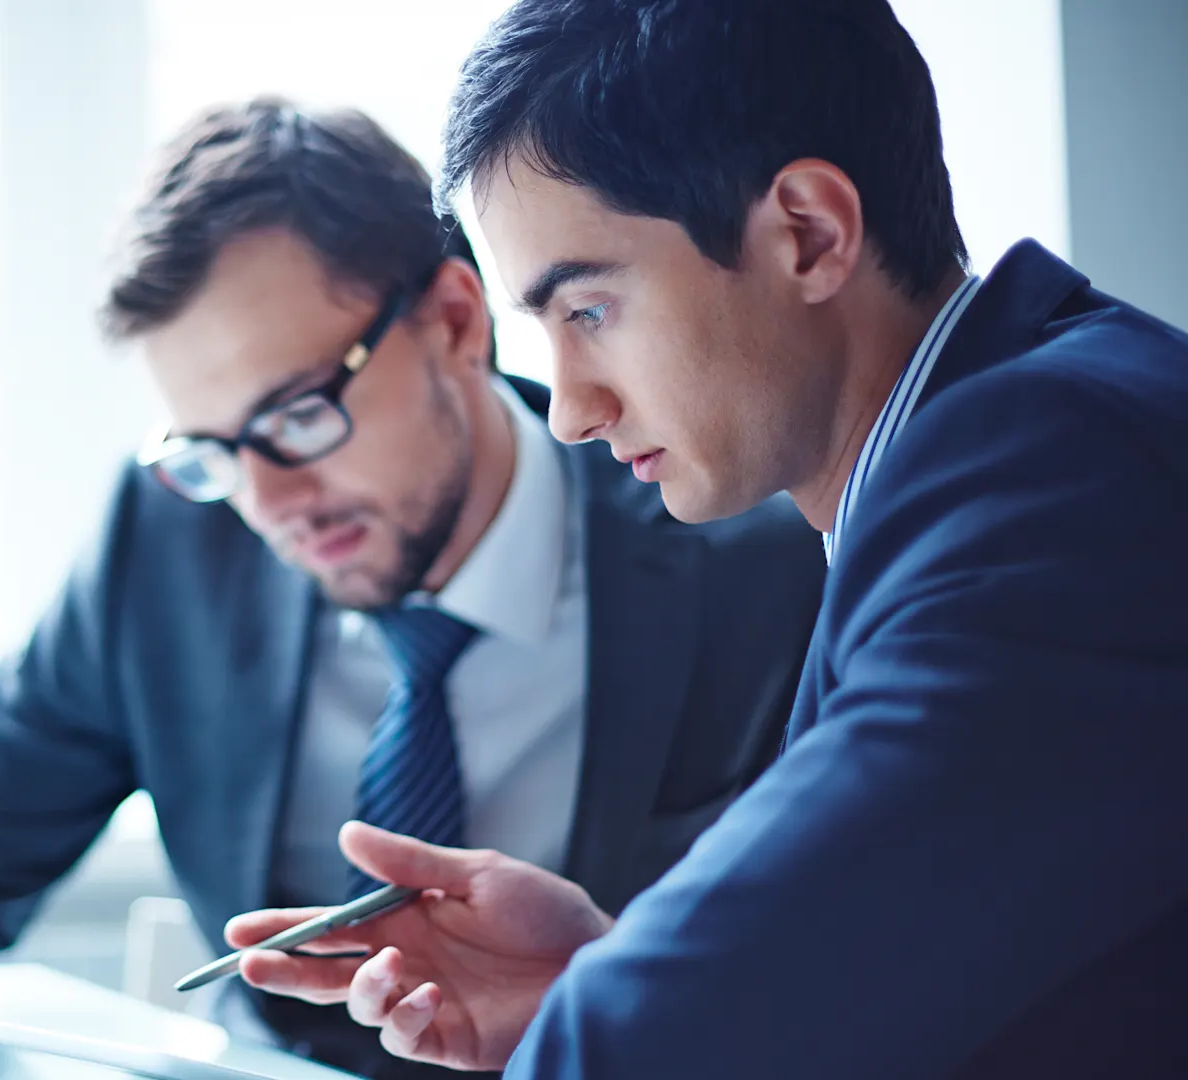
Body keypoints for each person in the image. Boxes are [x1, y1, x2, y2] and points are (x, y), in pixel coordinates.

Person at [228, 3, 1188, 1078]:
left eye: (588, 309)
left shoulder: (1047, 472)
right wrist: (606, 972)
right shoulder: (993, 455)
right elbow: (965, 964)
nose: (570, 410)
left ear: (808, 234)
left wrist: (646, 1016)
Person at [0, 97, 825, 1080]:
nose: (268, 500)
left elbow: (829, 988)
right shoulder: (169, 542)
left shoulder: (745, 565)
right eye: (214, 452)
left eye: (294, 418)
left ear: (456, 321)